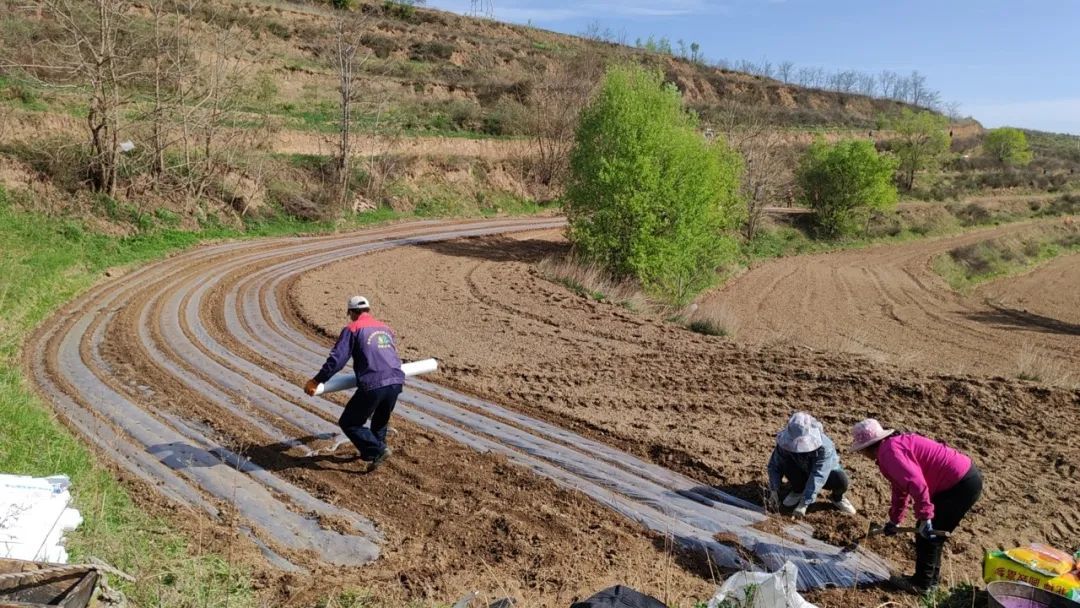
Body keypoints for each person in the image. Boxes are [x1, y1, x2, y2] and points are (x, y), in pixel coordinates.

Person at [849, 419, 983, 594]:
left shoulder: (890, 453)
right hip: (961, 479)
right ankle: (930, 581)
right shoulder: (890, 449)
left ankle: (922, 584)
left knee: (927, 533)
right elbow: (900, 488)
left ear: (867, 447)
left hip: (959, 484)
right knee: (932, 534)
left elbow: (917, 485)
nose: (861, 455)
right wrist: (895, 520)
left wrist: (925, 516)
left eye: (861, 451)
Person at [305, 295, 405, 472]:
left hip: (373, 383)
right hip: (397, 380)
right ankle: (373, 454)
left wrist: (317, 380)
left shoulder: (352, 329)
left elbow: (337, 360)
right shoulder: (385, 328)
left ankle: (378, 450)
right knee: (380, 421)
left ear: (351, 312)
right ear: (368, 310)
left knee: (350, 422)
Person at [767, 412, 857, 517]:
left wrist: (804, 503)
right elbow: (774, 465)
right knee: (785, 463)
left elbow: (818, 475)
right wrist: (774, 489)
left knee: (841, 480)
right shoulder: (784, 444)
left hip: (826, 473)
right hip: (800, 468)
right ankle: (798, 490)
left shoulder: (824, 447)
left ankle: (837, 498)